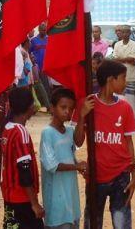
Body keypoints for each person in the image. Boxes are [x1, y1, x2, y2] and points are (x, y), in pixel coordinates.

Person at [74, 60, 135, 229]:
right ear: (111, 79)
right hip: (96, 175)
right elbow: (78, 141)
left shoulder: (125, 107)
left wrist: (134, 175)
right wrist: (82, 116)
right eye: (123, 77)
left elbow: (129, 142)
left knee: (122, 223)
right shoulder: (87, 104)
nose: (126, 82)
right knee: (93, 223)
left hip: (121, 174)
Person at [40, 88, 85, 229]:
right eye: (63, 107)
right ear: (52, 108)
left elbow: (78, 143)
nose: (67, 112)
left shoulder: (69, 131)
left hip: (71, 198)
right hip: (56, 203)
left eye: (71, 109)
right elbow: (52, 165)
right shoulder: (47, 133)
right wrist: (77, 167)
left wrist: (82, 117)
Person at [1, 86, 43, 229]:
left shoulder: (7, 129)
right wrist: (34, 203)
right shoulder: (20, 132)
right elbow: (24, 169)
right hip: (22, 198)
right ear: (29, 107)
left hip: (9, 195)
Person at [112, 25, 135, 113]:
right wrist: (127, 60)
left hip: (130, 76)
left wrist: (120, 59)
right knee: (118, 98)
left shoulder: (134, 44)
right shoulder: (117, 44)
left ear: (130, 33)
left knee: (130, 100)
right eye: (123, 32)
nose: (124, 34)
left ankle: (131, 118)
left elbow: (132, 58)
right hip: (118, 76)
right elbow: (114, 59)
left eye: (126, 32)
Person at [30, 23, 51, 101]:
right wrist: (32, 60)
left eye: (45, 30)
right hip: (37, 66)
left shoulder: (49, 39)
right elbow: (29, 51)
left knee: (47, 84)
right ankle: (40, 101)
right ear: (39, 30)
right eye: (42, 30)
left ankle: (48, 101)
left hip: (47, 66)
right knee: (38, 85)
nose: (44, 32)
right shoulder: (33, 40)